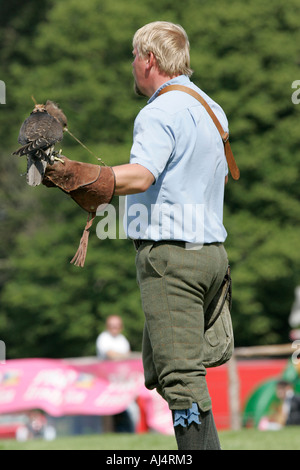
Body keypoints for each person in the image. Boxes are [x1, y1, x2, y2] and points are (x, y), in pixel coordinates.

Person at [110, 21, 232, 450]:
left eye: (133, 56)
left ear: (150, 60)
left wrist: (96, 178)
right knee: (172, 372)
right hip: (212, 256)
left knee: (181, 381)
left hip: (171, 259)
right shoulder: (211, 107)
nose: (132, 65)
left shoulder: (159, 112)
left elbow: (142, 176)